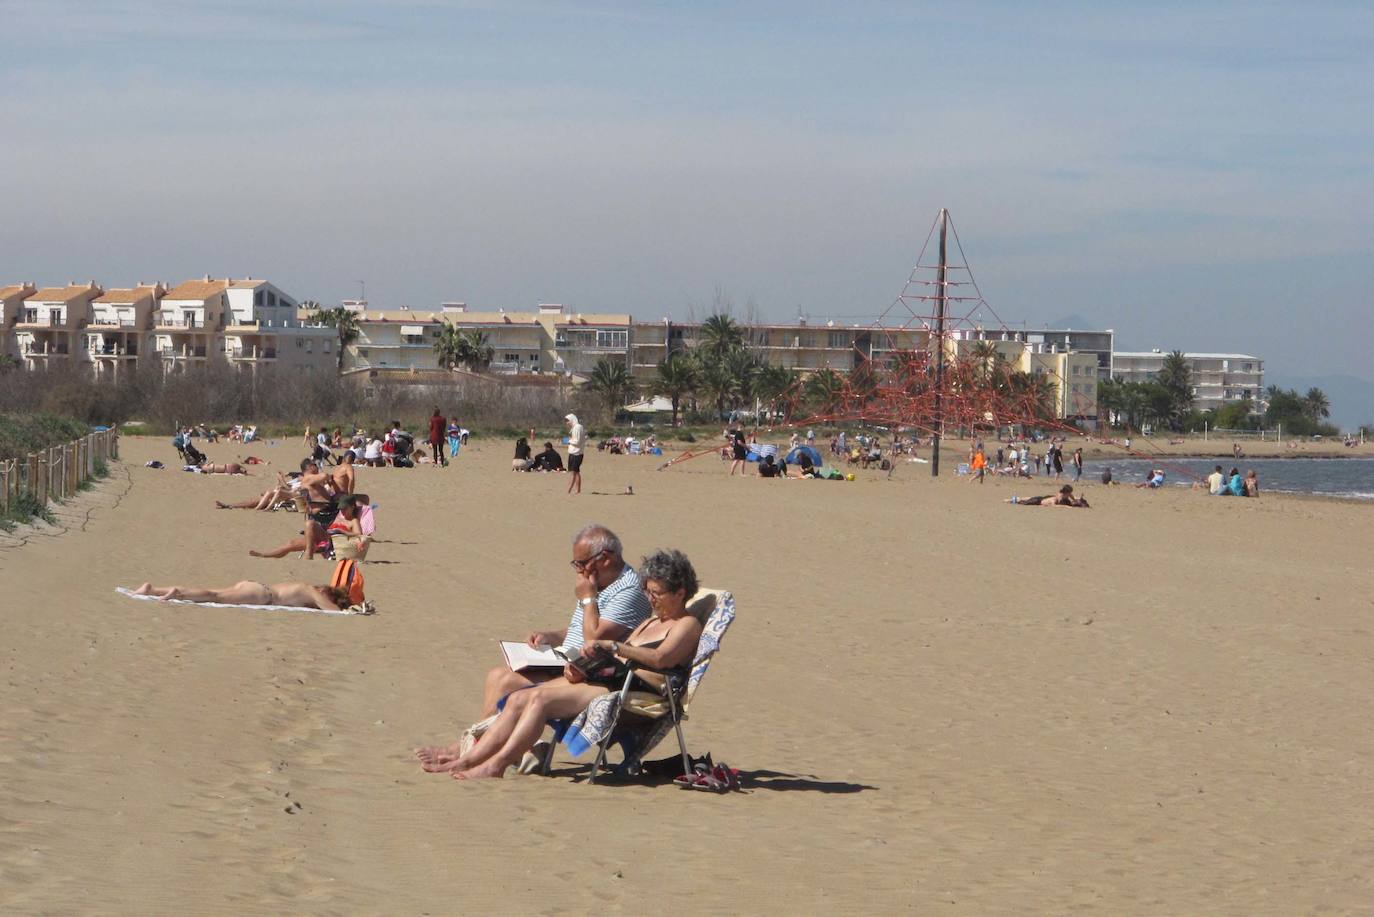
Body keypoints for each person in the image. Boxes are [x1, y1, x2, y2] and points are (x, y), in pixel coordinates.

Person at [417, 548, 701, 779]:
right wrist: (585, 665)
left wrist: (614, 647)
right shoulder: (652, 621)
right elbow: (621, 658)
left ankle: (495, 766)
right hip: (612, 679)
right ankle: (469, 759)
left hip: (637, 693)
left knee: (539, 700)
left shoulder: (686, 625)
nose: (650, 599)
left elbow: (661, 658)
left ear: (679, 592)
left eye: (657, 593)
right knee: (519, 698)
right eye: (648, 591)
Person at [475, 525, 651, 718]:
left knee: (506, 682)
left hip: (590, 675)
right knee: (497, 675)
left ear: (606, 559)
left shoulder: (629, 591)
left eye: (582, 563)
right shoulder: (597, 584)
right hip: (567, 663)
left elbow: (593, 639)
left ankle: (477, 746)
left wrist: (587, 598)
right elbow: (580, 628)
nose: (579, 572)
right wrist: (551, 636)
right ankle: (479, 744)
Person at [249, 494, 370, 560]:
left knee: (310, 524)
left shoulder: (353, 521)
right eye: (341, 509)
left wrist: (342, 531)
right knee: (291, 543)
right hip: (323, 537)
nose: (342, 511)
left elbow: (359, 535)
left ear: (352, 507)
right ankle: (265, 555)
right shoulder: (339, 515)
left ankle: (309, 556)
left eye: (345, 508)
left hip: (333, 542)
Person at [132, 579, 348, 611]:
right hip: (262, 595)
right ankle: (177, 592)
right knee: (214, 597)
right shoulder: (310, 590)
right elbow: (333, 611)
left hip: (255, 586)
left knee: (216, 593)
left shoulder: (303, 586)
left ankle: (151, 590)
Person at [1008, 484, 1090, 507]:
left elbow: (1074, 498)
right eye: (1070, 492)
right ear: (1066, 492)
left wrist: (1079, 498)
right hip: (1046, 499)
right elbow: (1055, 503)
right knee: (1025, 501)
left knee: (1029, 498)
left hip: (1047, 498)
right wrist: (1065, 507)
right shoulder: (1060, 496)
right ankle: (1011, 500)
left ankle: (1013, 499)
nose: (1071, 493)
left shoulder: (1068, 494)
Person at [565, 413, 586, 495]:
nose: (567, 423)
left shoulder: (578, 427)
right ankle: (577, 490)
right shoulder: (574, 428)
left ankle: (569, 490)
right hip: (573, 452)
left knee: (574, 472)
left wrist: (569, 441)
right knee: (575, 472)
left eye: (567, 421)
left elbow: (577, 441)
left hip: (576, 453)